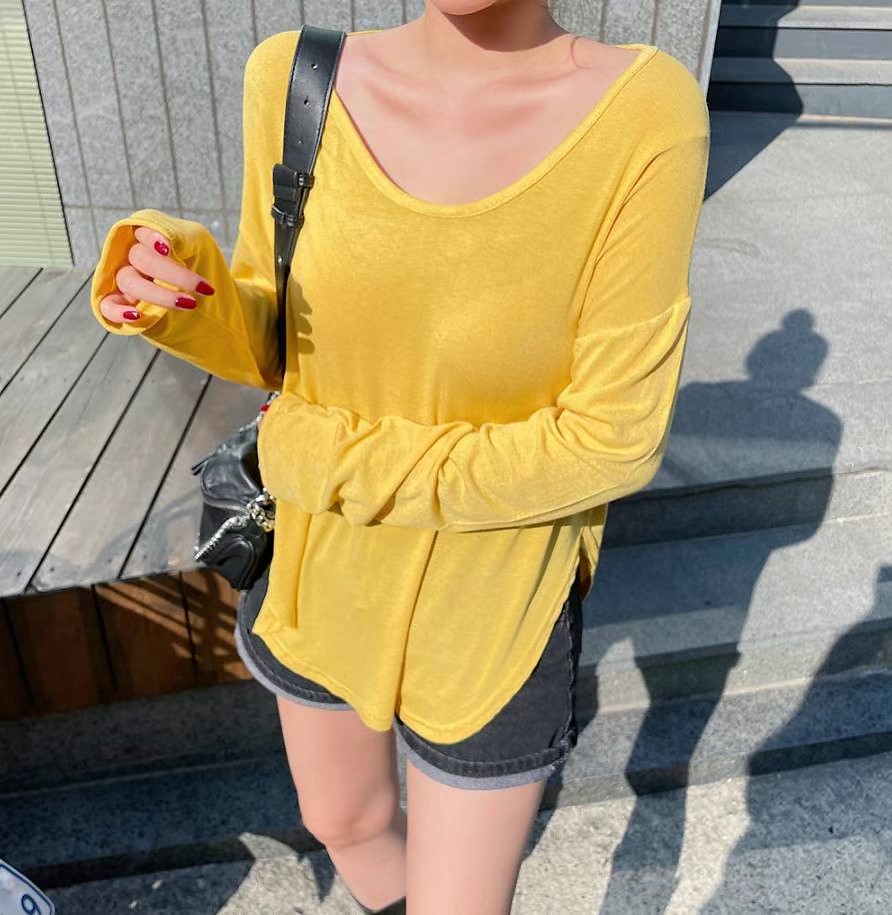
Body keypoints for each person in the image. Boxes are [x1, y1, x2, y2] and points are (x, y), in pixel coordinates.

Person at [91, 2, 710, 912]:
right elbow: (280, 340)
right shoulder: (297, 77)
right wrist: (191, 298)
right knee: (342, 820)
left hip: (494, 602)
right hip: (315, 570)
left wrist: (319, 454)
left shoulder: (644, 112)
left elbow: (610, 439)